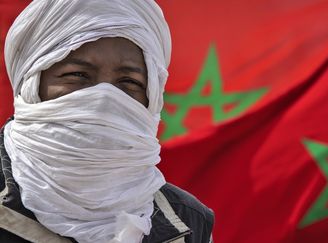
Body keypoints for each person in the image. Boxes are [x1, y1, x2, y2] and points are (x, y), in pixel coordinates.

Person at [0, 1, 214, 243]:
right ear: (31, 85)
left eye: (129, 81)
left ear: (151, 98)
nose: (104, 98)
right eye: (77, 75)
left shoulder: (188, 221)